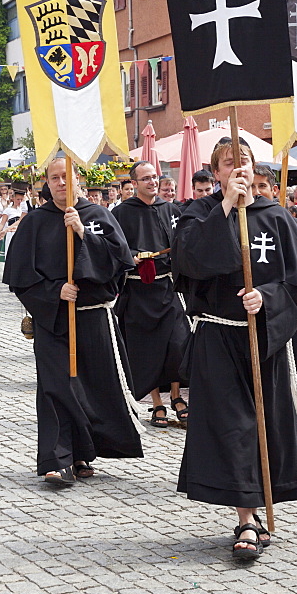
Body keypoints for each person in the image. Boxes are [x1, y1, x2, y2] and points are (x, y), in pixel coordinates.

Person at [172, 138, 297, 560]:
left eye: (243, 162)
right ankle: (246, 519)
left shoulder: (276, 217)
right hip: (219, 338)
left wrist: (270, 297)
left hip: (267, 340)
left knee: (265, 427)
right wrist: (224, 208)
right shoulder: (197, 213)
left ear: (254, 168)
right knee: (234, 428)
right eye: (226, 164)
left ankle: (259, 508)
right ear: (216, 173)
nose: (236, 168)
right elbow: (188, 263)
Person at [3, 156, 144, 485]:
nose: (61, 183)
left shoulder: (99, 216)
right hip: (54, 321)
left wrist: (84, 235)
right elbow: (20, 278)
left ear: (78, 179)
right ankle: (57, 458)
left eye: (66, 177)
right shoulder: (35, 222)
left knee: (89, 388)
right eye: (54, 178)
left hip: (93, 318)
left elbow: (121, 263)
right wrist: (55, 291)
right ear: (48, 183)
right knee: (55, 387)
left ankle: (83, 452)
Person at [112, 160, 189, 428]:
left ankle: (178, 396)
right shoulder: (121, 213)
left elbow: (182, 245)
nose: (152, 182)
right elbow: (114, 249)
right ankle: (157, 403)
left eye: (154, 177)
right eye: (145, 178)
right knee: (148, 349)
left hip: (167, 287)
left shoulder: (170, 210)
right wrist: (129, 257)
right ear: (134, 184)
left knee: (177, 344)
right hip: (137, 291)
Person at [0, 188, 27, 263]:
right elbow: (2, 223)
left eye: (21, 199)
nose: (20, 201)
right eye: (18, 199)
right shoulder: (8, 210)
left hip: (22, 233)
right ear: (13, 199)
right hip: (11, 233)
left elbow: (21, 220)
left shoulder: (24, 209)